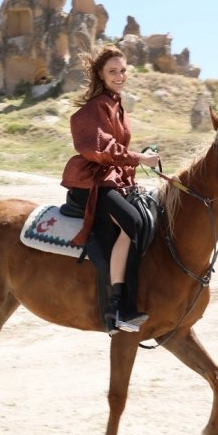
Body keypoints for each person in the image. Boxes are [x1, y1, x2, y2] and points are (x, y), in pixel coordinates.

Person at [61, 46, 161, 335]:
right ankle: (118, 305)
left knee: (145, 217)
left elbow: (116, 155)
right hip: (90, 183)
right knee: (134, 223)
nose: (119, 76)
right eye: (112, 71)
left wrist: (131, 175)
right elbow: (99, 149)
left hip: (110, 180)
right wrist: (139, 158)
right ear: (101, 75)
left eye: (123, 70)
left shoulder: (118, 106)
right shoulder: (91, 109)